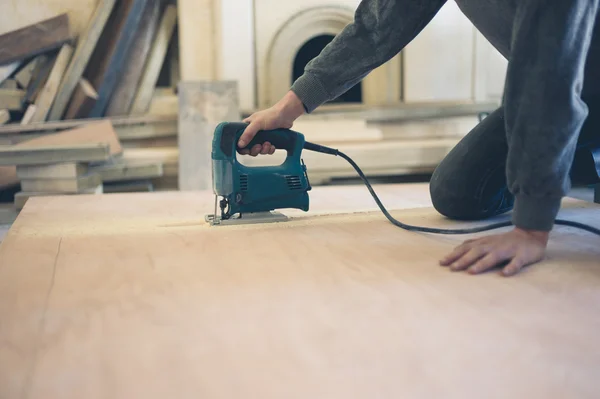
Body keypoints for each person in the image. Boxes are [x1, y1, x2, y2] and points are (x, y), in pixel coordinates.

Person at [238, 0, 600, 276]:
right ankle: (579, 159)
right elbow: (377, 27)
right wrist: (289, 107)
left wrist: (531, 227)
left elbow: (549, 67)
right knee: (457, 193)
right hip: (567, 87)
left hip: (565, 76)